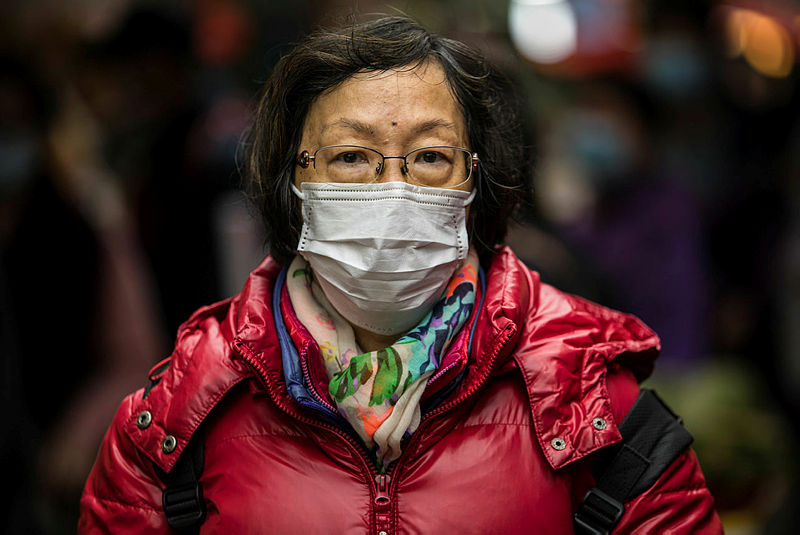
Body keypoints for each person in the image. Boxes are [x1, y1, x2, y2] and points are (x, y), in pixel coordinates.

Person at [79, 16, 722, 533]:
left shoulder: (598, 413)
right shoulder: (174, 424)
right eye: (351, 156)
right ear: (292, 183)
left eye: (431, 156)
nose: (394, 188)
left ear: (476, 181)